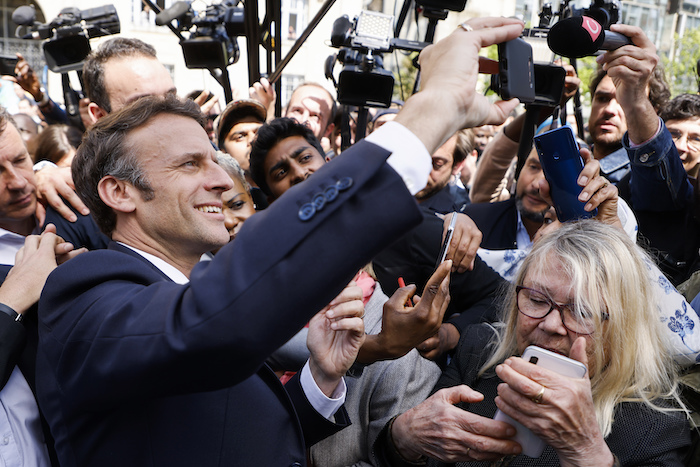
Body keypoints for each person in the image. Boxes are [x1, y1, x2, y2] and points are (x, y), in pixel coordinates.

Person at [35, 17, 528, 466]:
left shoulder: (197, 288)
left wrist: (323, 380)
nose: (224, 182)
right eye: (190, 164)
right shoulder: (83, 292)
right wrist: (432, 109)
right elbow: (208, 321)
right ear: (119, 192)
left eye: (214, 159)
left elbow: (225, 433)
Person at [375, 221, 691, 466]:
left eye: (583, 312)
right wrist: (403, 438)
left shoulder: (655, 428)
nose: (551, 325)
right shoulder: (480, 352)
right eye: (537, 300)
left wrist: (586, 452)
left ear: (624, 324)